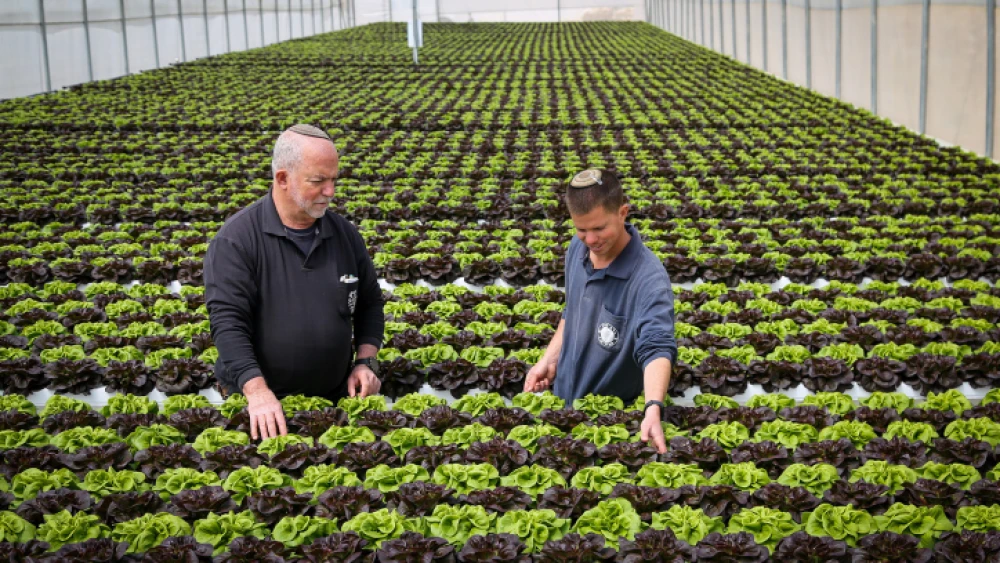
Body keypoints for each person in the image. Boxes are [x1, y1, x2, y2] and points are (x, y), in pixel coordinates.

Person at [204, 124, 385, 441]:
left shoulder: (345, 235)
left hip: (332, 402)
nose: (330, 192)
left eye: (333, 180)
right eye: (318, 181)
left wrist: (365, 362)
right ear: (282, 179)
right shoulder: (237, 241)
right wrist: (257, 391)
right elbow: (228, 323)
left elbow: (369, 303)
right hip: (261, 409)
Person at [522, 169, 677, 453]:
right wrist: (550, 360)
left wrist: (653, 407)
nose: (590, 239)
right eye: (581, 229)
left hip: (607, 431)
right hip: (562, 410)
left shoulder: (649, 279)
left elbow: (656, 346)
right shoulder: (576, 250)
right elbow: (572, 312)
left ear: (623, 213)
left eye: (599, 228)